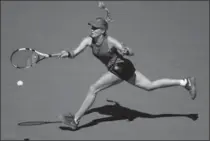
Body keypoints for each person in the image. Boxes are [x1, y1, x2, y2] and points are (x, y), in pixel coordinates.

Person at [58, 16, 196, 131]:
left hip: (121, 67)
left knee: (93, 89)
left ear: (103, 31)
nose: (92, 30)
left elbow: (129, 51)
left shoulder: (111, 41)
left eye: (95, 28)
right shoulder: (87, 40)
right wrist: (68, 53)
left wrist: (127, 51)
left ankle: (75, 121)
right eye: (91, 27)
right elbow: (74, 53)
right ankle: (185, 82)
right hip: (120, 69)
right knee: (150, 86)